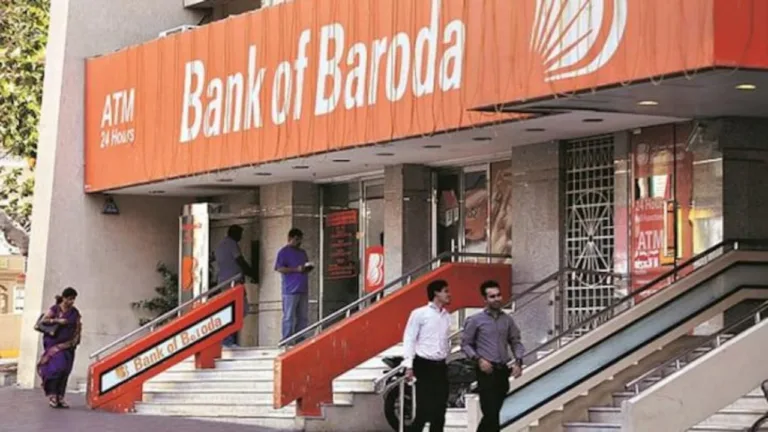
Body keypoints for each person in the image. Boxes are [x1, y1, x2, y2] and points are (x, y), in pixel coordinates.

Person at [461, 280, 525, 432]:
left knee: (494, 413)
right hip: (486, 371)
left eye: (498, 295)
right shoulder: (475, 320)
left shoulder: (507, 320)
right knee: (491, 413)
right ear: (485, 299)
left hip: (502, 371)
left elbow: (515, 341)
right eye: (492, 296)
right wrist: (479, 360)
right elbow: (466, 344)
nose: (497, 299)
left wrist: (518, 362)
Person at [402, 279, 452, 432]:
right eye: (445, 291)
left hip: (440, 365)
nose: (449, 294)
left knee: (440, 410)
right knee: (423, 409)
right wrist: (409, 365)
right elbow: (409, 338)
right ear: (436, 293)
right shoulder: (419, 313)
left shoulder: (446, 316)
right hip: (424, 365)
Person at [37, 287, 81, 409]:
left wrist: (75, 341)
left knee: (65, 371)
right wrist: (57, 321)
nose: (71, 301)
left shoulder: (74, 312)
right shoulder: (55, 309)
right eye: (69, 299)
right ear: (64, 298)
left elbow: (78, 327)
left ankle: (60, 397)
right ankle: (52, 396)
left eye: (73, 299)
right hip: (54, 346)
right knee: (57, 369)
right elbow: (44, 321)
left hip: (68, 346)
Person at [215, 224, 256, 347]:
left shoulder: (220, 245)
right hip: (233, 283)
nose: (241, 237)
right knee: (239, 310)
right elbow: (240, 260)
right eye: (240, 234)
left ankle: (228, 339)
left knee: (231, 310)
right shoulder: (232, 244)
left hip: (223, 282)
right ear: (234, 233)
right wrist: (252, 272)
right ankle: (228, 340)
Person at [275, 228, 313, 342]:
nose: (298, 242)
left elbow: (304, 266)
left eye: (300, 240)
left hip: (303, 288)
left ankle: (300, 337)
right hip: (290, 289)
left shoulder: (302, 253)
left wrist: (307, 268)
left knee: (303, 316)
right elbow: (279, 268)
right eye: (296, 239)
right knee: (289, 316)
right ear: (290, 238)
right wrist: (296, 269)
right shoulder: (283, 252)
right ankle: (286, 338)